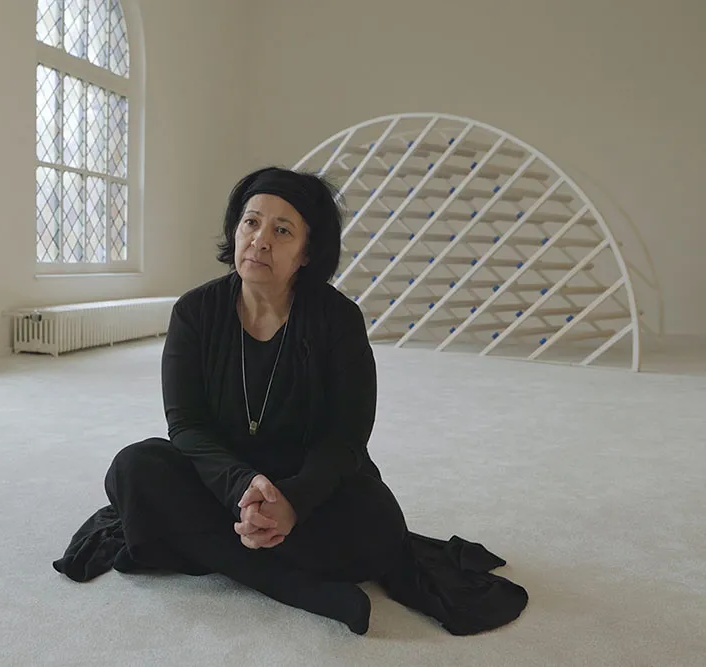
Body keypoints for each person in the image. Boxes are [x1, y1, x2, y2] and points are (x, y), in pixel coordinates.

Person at [53, 167, 528, 636]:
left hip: (310, 485)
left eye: (282, 230)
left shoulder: (338, 319)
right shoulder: (195, 312)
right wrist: (243, 486)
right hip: (222, 480)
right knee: (134, 467)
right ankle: (292, 585)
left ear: (306, 253)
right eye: (251, 222)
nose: (260, 240)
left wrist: (292, 502)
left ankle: (212, 548)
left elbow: (346, 438)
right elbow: (187, 427)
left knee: (378, 522)